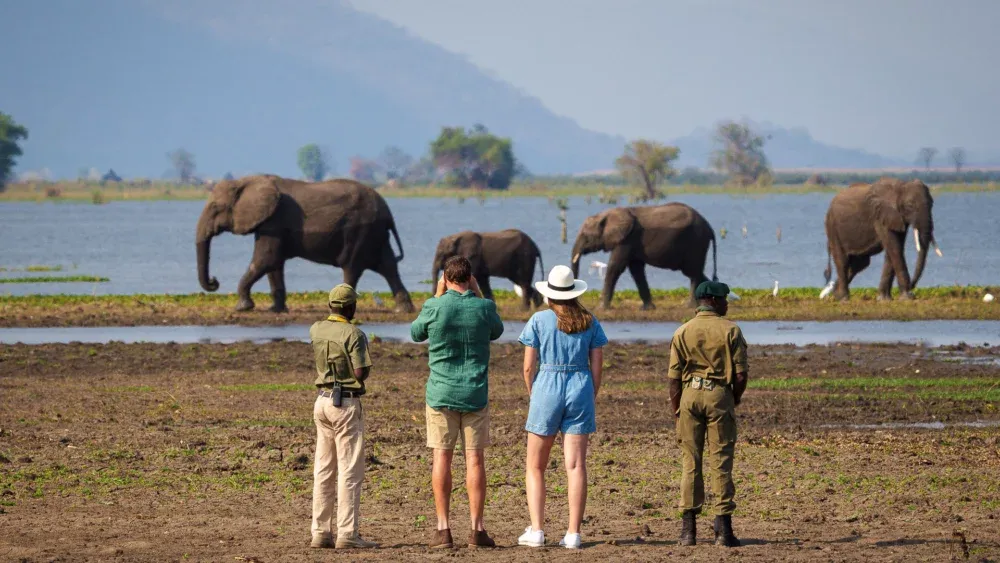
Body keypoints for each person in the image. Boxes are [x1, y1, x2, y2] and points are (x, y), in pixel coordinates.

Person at [410, 256, 505, 549]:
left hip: (441, 394)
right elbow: (497, 330)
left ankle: (443, 529)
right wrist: (478, 294)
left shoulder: (434, 305)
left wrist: (437, 296)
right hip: (474, 393)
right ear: (470, 278)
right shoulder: (484, 307)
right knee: (475, 460)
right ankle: (477, 529)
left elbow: (416, 333)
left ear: (445, 278)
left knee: (442, 458)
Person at [516, 265, 607, 549]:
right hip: (580, 385)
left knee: (535, 465)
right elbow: (597, 367)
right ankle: (573, 534)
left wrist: (536, 394)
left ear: (550, 295)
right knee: (576, 465)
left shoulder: (539, 320)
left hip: (547, 387)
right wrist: (590, 394)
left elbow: (529, 367)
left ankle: (538, 530)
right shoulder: (590, 321)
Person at [667, 280, 749, 548]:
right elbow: (740, 375)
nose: (727, 304)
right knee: (721, 461)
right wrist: (732, 398)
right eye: (724, 299)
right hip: (719, 396)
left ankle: (687, 532)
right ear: (713, 301)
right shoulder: (732, 331)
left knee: (691, 461)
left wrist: (678, 410)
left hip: (689, 395)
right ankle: (723, 531)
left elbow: (673, 379)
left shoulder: (682, 331)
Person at [308, 284, 378, 549]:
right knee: (349, 470)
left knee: (323, 470)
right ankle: (347, 534)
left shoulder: (316, 329)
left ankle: (320, 533)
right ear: (351, 307)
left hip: (322, 401)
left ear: (330, 306)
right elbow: (360, 372)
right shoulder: (354, 333)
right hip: (346, 402)